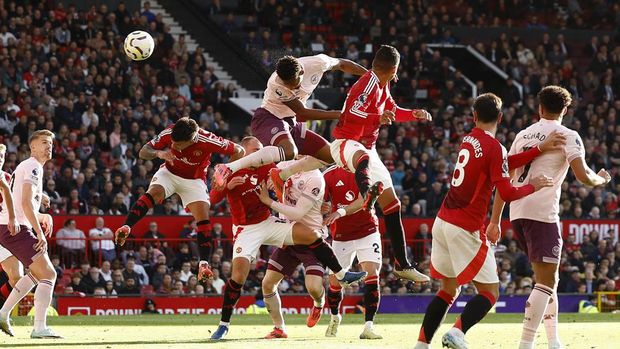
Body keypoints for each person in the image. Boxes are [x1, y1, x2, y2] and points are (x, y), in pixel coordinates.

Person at [414, 94, 564, 349]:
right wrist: (532, 186)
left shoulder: (469, 139)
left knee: (448, 289)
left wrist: (538, 150)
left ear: (474, 117)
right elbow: (506, 192)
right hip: (464, 226)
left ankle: (421, 345)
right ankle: (457, 333)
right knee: (490, 292)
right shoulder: (495, 147)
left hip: (441, 221)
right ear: (501, 118)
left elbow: (502, 164)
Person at [488, 86, 612, 349]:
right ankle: (526, 343)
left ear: (540, 108)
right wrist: (601, 180)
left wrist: (495, 220)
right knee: (546, 281)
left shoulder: (522, 135)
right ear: (565, 110)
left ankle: (554, 340)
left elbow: (505, 177)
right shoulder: (567, 135)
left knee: (546, 280)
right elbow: (583, 175)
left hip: (517, 212)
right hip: (542, 213)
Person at [208, 137, 366, 341]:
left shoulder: (271, 168)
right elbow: (212, 198)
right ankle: (225, 325)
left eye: (261, 150)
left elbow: (310, 166)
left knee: (311, 236)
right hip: (245, 229)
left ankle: (341, 274)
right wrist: (226, 187)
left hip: (269, 221)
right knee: (239, 277)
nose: (261, 154)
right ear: (244, 154)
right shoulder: (233, 171)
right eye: (256, 151)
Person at [327, 45, 432, 282]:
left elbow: (392, 111)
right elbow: (350, 113)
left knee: (393, 204)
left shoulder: (382, 85)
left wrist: (413, 114)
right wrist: (377, 117)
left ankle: (402, 264)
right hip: (346, 142)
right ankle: (367, 195)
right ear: (394, 69)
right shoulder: (366, 84)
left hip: (367, 148)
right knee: (363, 159)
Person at [114, 118, 244, 282]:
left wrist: (226, 172)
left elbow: (239, 150)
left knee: (203, 216)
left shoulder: (207, 139)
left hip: (194, 180)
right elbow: (143, 151)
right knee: (154, 192)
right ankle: (126, 227)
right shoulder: (170, 132)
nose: (174, 146)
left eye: (179, 144)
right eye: (173, 143)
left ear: (192, 139)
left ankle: (203, 264)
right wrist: (158, 153)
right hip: (169, 173)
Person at [212, 54, 367, 187]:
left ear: (301, 72)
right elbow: (303, 113)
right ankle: (228, 167)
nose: (290, 88)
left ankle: (282, 175)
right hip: (268, 118)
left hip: (290, 122)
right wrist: (340, 114)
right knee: (289, 152)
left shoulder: (318, 63)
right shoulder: (276, 82)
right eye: (287, 85)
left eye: (293, 84)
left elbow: (342, 64)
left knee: (330, 156)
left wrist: (370, 76)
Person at [0, 130, 62, 338]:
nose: (48, 146)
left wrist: (41, 216)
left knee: (36, 274)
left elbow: (22, 202)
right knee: (49, 274)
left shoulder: (27, 167)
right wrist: (40, 234)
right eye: (44, 142)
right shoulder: (33, 166)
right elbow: (25, 203)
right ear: (32, 147)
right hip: (15, 229)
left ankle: (3, 313)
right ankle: (39, 328)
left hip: (12, 227)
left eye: (51, 143)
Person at [259, 161, 328, 339]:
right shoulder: (285, 165)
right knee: (267, 283)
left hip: (311, 238)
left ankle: (319, 303)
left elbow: (297, 214)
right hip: (288, 236)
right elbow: (269, 181)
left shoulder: (315, 178)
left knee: (313, 288)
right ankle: (279, 329)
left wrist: (268, 201)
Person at [322, 166, 383, 339]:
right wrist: (323, 208)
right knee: (335, 282)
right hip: (341, 235)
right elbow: (322, 204)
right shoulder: (328, 175)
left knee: (372, 273)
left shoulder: (364, 171)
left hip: (368, 230)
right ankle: (335, 318)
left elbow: (363, 201)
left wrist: (339, 212)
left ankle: (368, 327)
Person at [0, 144, 22, 308]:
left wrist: (41, 196)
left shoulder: (8, 178)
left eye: (1, 156)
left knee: (17, 278)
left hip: (3, 234)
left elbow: (23, 195)